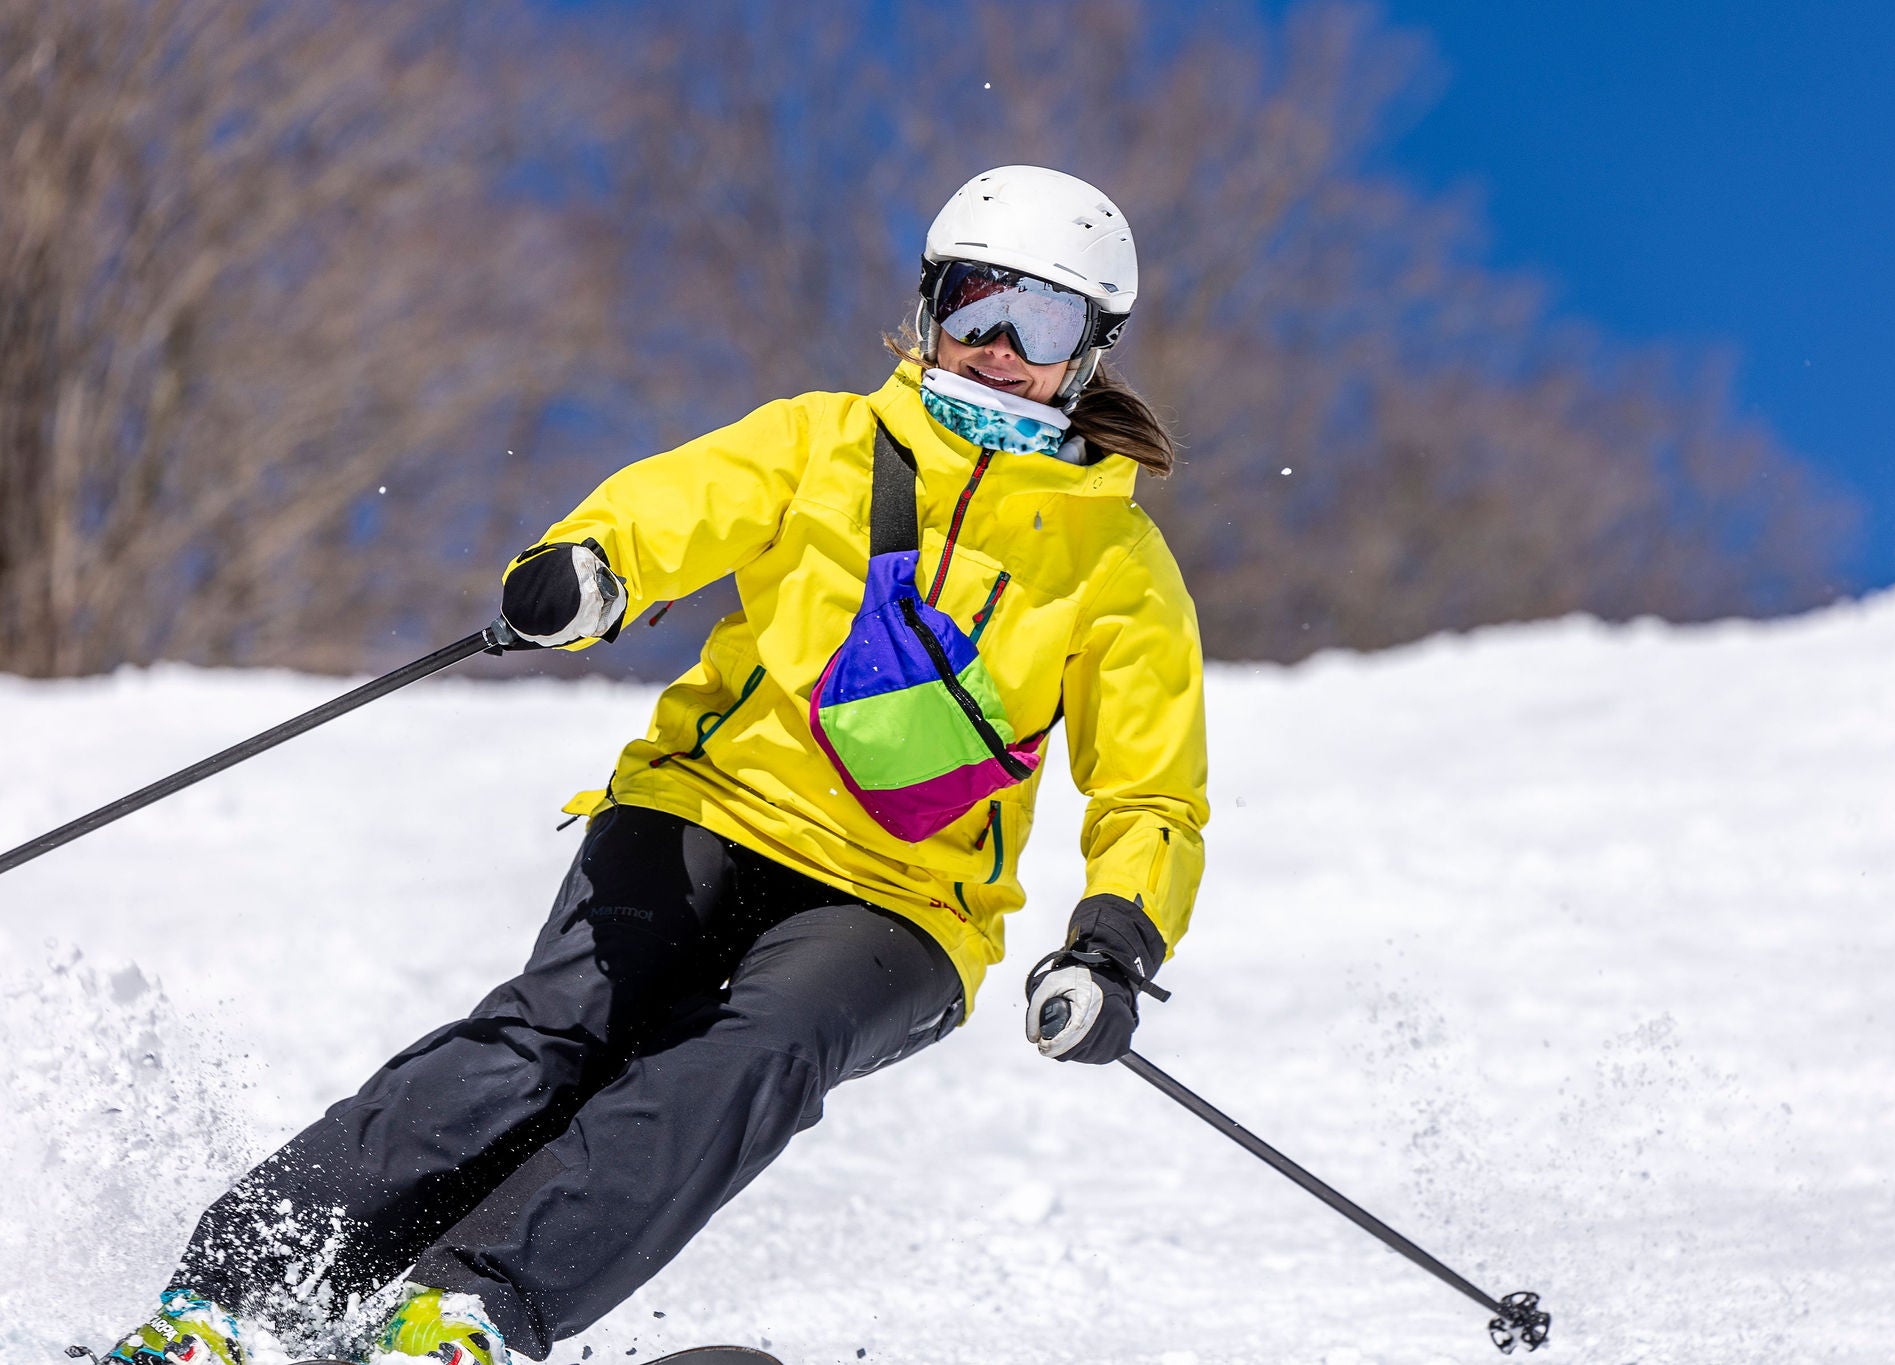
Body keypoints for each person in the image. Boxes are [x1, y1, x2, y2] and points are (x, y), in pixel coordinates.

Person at [101, 165, 1208, 1365]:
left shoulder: (1118, 565)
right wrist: (593, 566)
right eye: (976, 304)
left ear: (1088, 355)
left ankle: (459, 1312)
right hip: (704, 807)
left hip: (907, 902)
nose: (996, 347)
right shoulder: (822, 443)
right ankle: (238, 1295)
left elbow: (1150, 787)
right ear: (929, 304)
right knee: (556, 1031)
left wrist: (1112, 944)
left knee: (757, 1056)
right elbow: (682, 504)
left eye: (1037, 323)